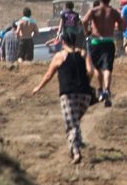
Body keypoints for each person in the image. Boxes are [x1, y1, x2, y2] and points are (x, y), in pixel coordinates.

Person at [32, 31, 96, 164]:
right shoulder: (84, 54)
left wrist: (39, 87)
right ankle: (76, 142)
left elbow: (49, 75)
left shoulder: (60, 56)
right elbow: (90, 71)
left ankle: (76, 152)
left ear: (63, 42)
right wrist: (85, 81)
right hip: (85, 96)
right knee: (75, 122)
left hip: (68, 95)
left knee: (71, 125)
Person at [82, 0, 126, 107]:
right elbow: (122, 26)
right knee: (107, 68)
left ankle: (100, 89)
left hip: (95, 41)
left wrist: (87, 32)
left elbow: (84, 21)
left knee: (97, 67)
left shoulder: (93, 10)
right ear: (109, 0)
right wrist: (119, 27)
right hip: (108, 41)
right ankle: (106, 90)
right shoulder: (113, 12)